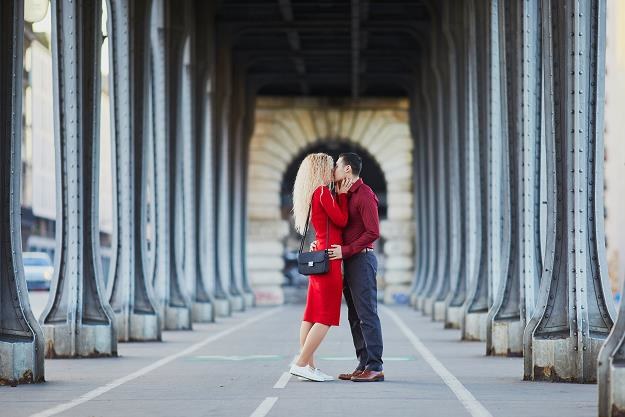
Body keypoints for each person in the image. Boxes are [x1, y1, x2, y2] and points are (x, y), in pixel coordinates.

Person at [289, 153, 354, 382]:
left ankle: (308, 365)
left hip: (319, 256)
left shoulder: (312, 193)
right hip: (330, 259)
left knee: (311, 314)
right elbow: (341, 220)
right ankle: (300, 363)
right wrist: (344, 196)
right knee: (325, 316)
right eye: (330, 166)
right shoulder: (324, 192)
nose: (333, 169)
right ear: (321, 169)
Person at [328, 152, 384, 382]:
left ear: (348, 169)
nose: (334, 171)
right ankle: (363, 363)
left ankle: (375, 366)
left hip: (361, 259)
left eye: (337, 167)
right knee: (354, 315)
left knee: (367, 313)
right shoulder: (344, 195)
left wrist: (346, 250)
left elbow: (373, 232)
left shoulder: (364, 194)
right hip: (349, 261)